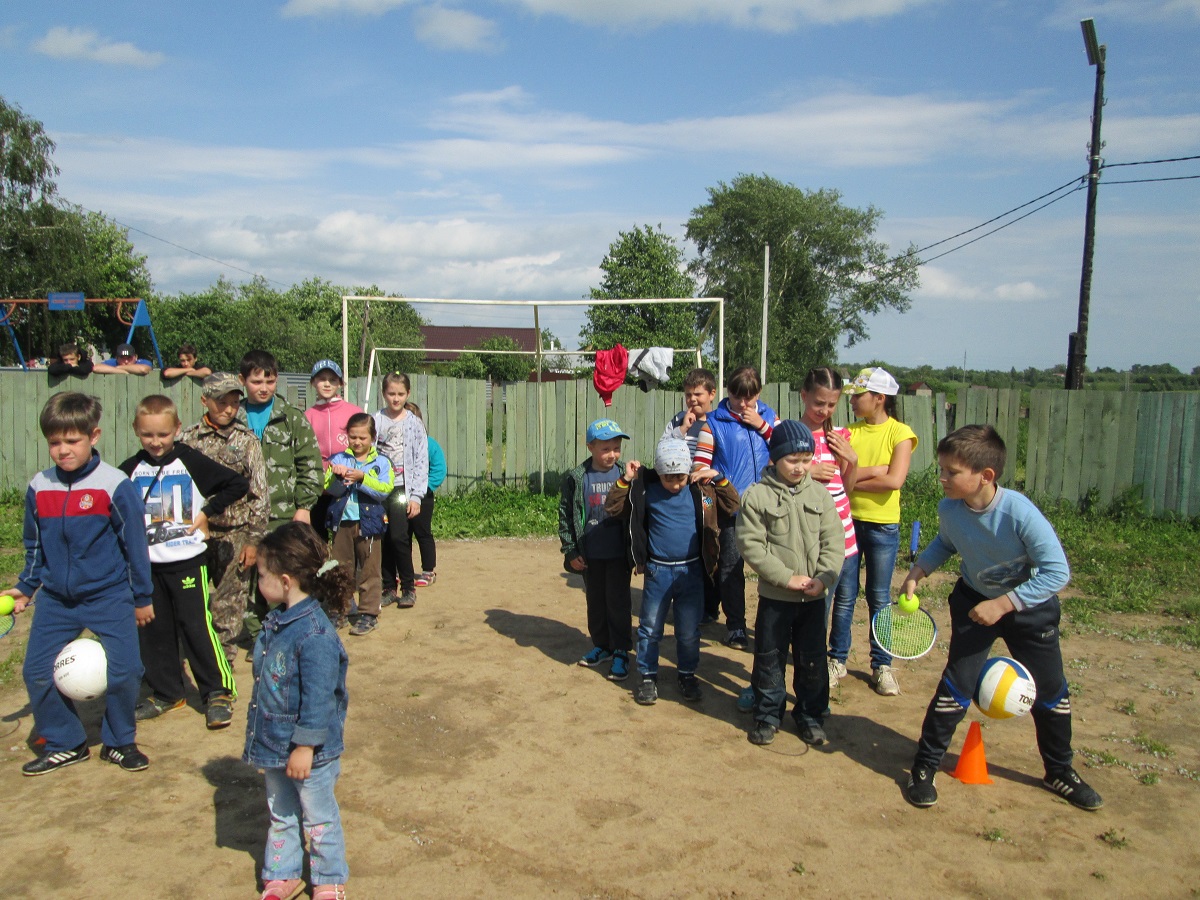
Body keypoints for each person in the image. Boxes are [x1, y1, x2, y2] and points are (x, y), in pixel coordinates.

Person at [902, 425, 1103, 811]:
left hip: (1028, 612)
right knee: (956, 686)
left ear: (985, 475)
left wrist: (1004, 604)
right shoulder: (950, 509)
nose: (942, 478)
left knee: (1052, 692)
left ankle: (1059, 771)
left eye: (951, 472)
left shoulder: (1019, 513)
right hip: (974, 606)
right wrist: (919, 571)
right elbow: (946, 542)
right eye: (942, 469)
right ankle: (923, 768)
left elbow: (1057, 572)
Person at [4, 392, 154, 775]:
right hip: (56, 600)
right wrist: (26, 587)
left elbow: (135, 546)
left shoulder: (114, 485)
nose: (63, 450)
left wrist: (142, 597)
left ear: (94, 436)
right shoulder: (40, 487)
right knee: (35, 672)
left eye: (72, 441)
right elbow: (34, 545)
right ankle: (65, 742)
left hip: (110, 596)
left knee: (126, 671)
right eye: (55, 442)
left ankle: (119, 741)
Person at [120, 395, 246, 730]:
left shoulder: (189, 460)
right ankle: (167, 692)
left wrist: (206, 513)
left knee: (195, 625)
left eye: (163, 434)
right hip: (147, 567)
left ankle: (217, 692)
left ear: (177, 429)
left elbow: (237, 484)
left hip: (187, 560)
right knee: (154, 630)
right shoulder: (130, 470)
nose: (156, 442)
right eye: (148, 435)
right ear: (136, 430)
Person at [245, 523, 351, 900]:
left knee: (319, 818)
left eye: (261, 575)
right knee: (281, 813)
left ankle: (328, 878)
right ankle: (283, 871)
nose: (257, 582)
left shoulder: (315, 635)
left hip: (312, 753)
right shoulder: (276, 622)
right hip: (275, 746)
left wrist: (305, 746)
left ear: (285, 580)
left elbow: (320, 699)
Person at [604, 438, 740, 706]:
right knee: (650, 628)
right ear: (659, 472)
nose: (675, 483)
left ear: (688, 471)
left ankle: (687, 674)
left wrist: (719, 478)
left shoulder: (700, 491)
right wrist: (625, 479)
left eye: (680, 477)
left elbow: (732, 506)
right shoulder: (646, 490)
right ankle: (647, 676)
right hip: (658, 572)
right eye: (669, 478)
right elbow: (613, 508)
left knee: (688, 632)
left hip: (691, 573)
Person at [736, 420, 844, 747]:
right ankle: (768, 715)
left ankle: (810, 715)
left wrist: (824, 578)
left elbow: (834, 540)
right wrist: (786, 578)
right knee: (769, 657)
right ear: (774, 458)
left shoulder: (821, 495)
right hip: (776, 597)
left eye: (806, 460)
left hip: (813, 599)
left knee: (812, 658)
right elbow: (751, 544)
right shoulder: (757, 496)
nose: (800, 468)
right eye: (792, 460)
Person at [828, 366, 916, 697]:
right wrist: (875, 470)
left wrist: (857, 473)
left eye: (858, 395)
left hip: (882, 526)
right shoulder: (847, 432)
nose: (851, 401)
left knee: (879, 596)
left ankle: (882, 665)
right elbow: (839, 478)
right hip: (847, 522)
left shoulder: (901, 434)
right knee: (844, 595)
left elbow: (894, 481)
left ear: (879, 399)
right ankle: (836, 660)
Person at [180, 373, 271, 664]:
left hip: (235, 535)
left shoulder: (246, 441)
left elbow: (259, 495)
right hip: (193, 534)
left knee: (228, 605)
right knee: (191, 601)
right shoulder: (187, 441)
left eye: (234, 402)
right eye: (221, 402)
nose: (228, 409)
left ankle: (223, 667)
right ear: (204, 401)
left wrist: (254, 541)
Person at [237, 350, 324, 644]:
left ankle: (286, 632)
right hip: (242, 516)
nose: (264, 387)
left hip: (283, 514)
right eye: (256, 381)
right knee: (246, 578)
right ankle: (255, 636)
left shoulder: (291, 418)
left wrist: (304, 507)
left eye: (270, 381)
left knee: (284, 576)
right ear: (243, 381)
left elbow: (310, 464)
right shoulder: (232, 418)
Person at [691, 365, 780, 651]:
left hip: (768, 506)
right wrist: (719, 479)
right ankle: (736, 626)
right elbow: (699, 465)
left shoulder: (768, 417)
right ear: (728, 392)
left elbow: (786, 451)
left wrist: (761, 425)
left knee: (776, 566)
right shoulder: (713, 423)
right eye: (738, 397)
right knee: (730, 567)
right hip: (731, 507)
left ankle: (775, 627)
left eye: (750, 397)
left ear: (758, 394)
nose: (743, 404)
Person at [795, 367, 860, 687]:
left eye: (831, 405)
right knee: (817, 606)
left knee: (843, 602)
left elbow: (847, 489)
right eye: (819, 403)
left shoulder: (840, 437)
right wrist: (807, 472)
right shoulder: (790, 432)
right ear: (804, 395)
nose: (824, 411)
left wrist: (854, 461)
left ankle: (834, 660)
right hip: (812, 538)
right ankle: (812, 661)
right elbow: (774, 480)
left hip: (845, 537)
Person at [559, 418, 634, 682]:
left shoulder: (626, 473)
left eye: (616, 447)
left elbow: (639, 513)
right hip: (590, 554)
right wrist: (570, 550)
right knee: (596, 603)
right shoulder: (577, 477)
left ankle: (622, 651)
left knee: (619, 603)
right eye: (605, 448)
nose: (612, 454)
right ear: (590, 446)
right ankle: (602, 645)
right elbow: (565, 514)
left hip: (618, 554)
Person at [323, 413, 394, 636]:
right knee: (340, 568)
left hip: (369, 524)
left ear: (373, 437)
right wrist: (336, 477)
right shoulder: (338, 459)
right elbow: (328, 489)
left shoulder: (382, 462)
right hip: (342, 522)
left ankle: (369, 613)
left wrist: (362, 478)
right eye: (353, 437)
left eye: (363, 437)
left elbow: (384, 490)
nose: (357, 442)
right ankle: (340, 610)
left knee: (370, 569)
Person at [371, 373, 428, 609]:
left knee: (399, 537)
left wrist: (416, 496)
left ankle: (408, 587)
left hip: (402, 489)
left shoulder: (414, 423)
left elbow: (421, 459)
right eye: (391, 394)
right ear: (384, 393)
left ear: (408, 394)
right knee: (382, 538)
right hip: (378, 490)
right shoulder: (375, 420)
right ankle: (387, 587)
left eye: (400, 394)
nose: (395, 399)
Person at [305, 359, 364, 540]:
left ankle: (348, 568)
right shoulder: (308, 416)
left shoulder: (353, 412)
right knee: (317, 536)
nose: (327, 383)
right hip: (318, 486)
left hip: (347, 486)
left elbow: (366, 448)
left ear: (340, 383)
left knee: (345, 537)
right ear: (313, 382)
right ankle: (321, 568)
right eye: (322, 379)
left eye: (332, 379)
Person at [405, 402, 444, 587]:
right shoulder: (393, 445)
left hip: (423, 497)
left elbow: (439, 470)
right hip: (400, 495)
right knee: (401, 534)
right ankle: (401, 569)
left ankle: (428, 570)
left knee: (422, 533)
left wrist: (423, 489)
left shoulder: (429, 444)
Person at [661, 367, 718, 459]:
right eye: (688, 395)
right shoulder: (679, 420)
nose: (692, 399)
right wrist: (683, 429)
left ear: (712, 394)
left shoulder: (718, 424)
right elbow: (662, 449)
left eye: (698, 394)